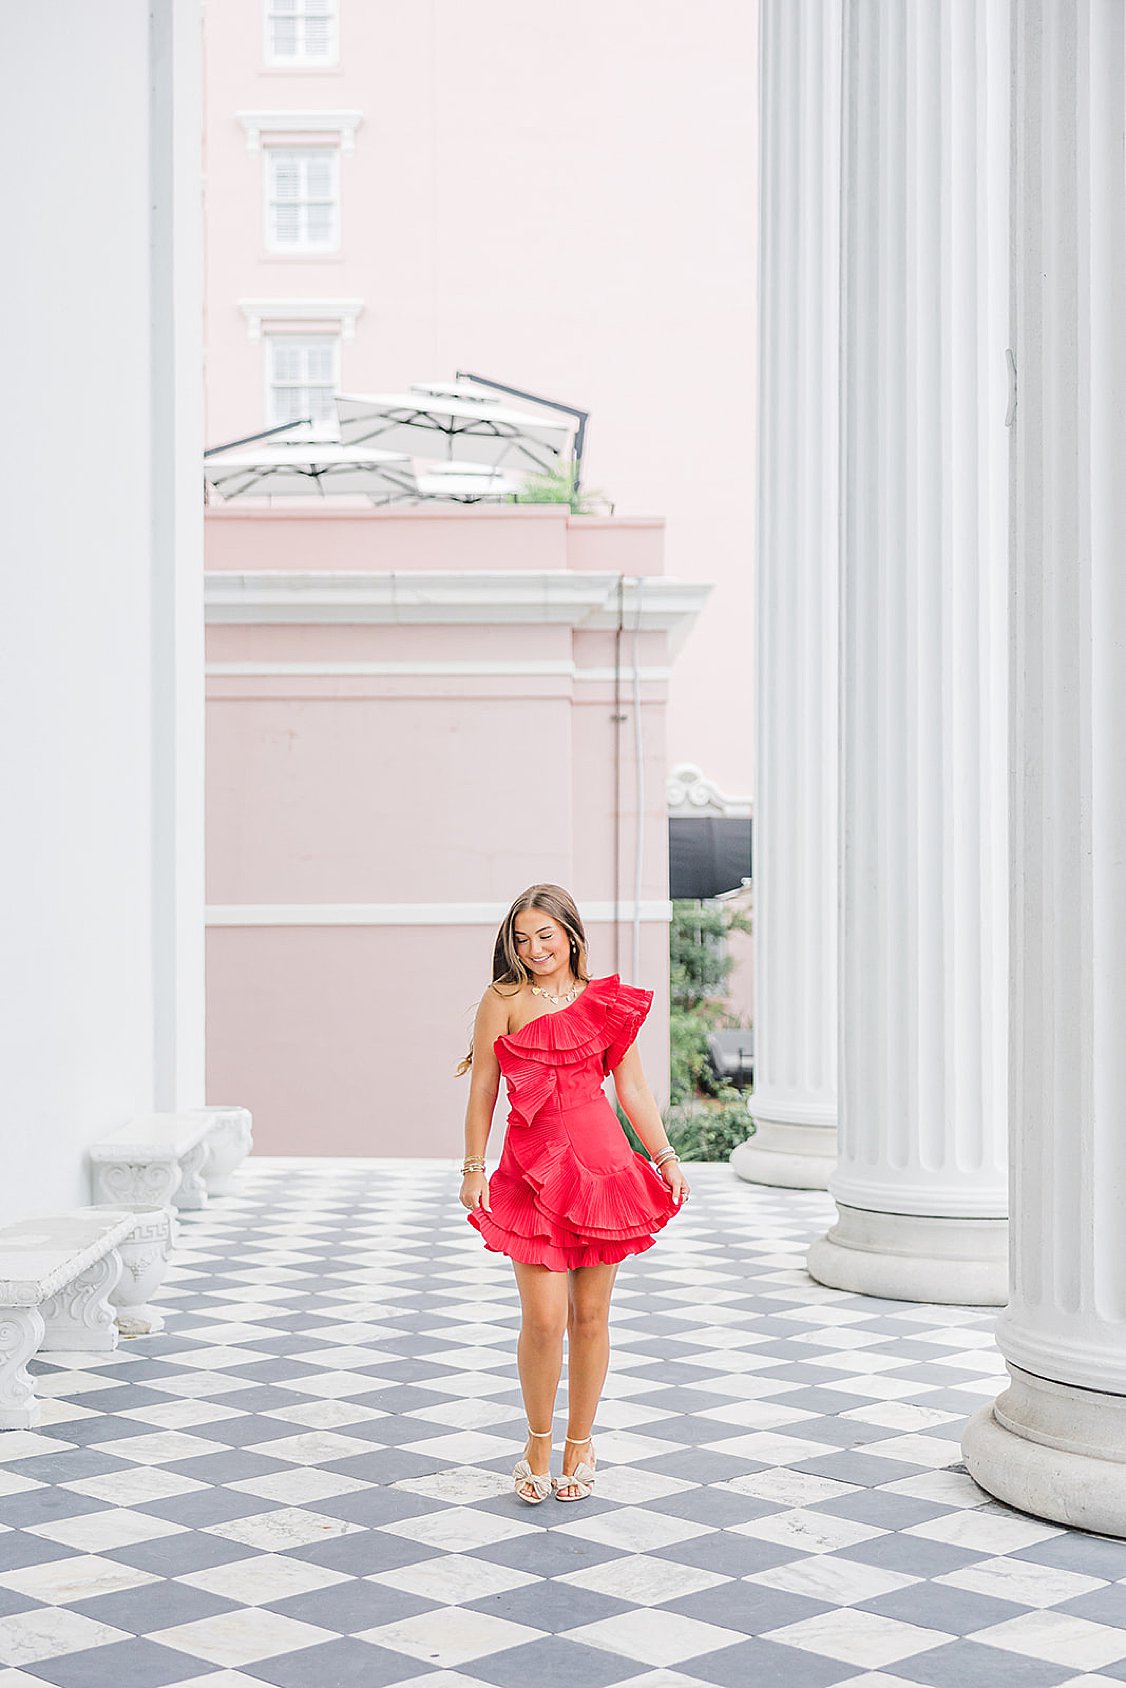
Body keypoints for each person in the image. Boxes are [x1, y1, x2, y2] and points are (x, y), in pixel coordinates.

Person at [457, 884, 690, 1503]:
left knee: (590, 1318)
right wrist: (472, 1166)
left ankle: (580, 1443)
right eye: (523, 938)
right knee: (542, 1319)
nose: (535, 948)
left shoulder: (604, 1004)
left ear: (572, 936)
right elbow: (483, 1088)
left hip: (601, 1169)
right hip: (530, 1169)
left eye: (546, 935)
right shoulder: (502, 1001)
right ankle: (537, 1439)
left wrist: (663, 1157)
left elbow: (632, 1090)